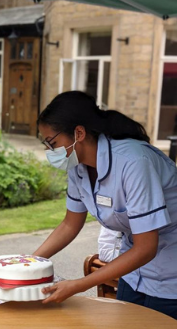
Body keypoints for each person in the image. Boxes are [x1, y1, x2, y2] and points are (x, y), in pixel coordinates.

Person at [33, 91, 177, 320]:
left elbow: (146, 247)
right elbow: (70, 224)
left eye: (53, 143)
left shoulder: (134, 162)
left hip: (171, 278)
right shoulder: (78, 168)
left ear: (78, 133)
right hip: (134, 272)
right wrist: (29, 263)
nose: (51, 153)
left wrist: (79, 285)